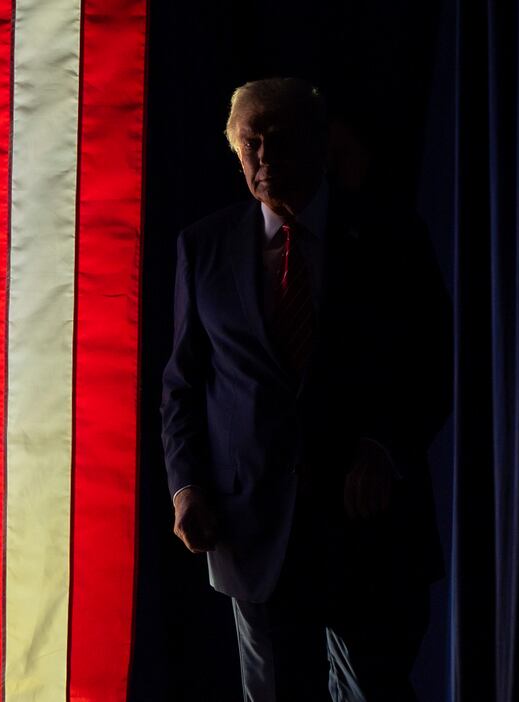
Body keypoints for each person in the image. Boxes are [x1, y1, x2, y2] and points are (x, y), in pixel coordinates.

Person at [161, 77, 452, 701]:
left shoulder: (392, 238)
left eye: (279, 142)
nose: (263, 158)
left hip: (369, 527)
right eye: (250, 145)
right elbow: (182, 386)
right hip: (251, 526)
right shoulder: (203, 248)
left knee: (372, 688)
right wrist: (186, 487)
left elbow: (429, 366)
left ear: (322, 146)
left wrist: (381, 446)